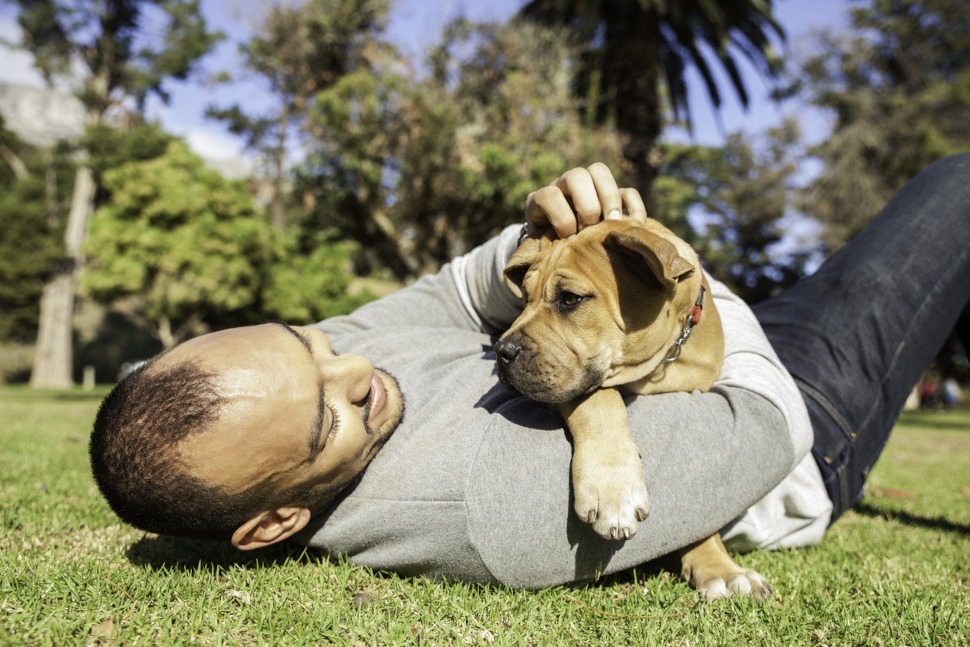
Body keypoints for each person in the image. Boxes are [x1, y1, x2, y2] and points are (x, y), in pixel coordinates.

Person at [90, 156, 970, 589]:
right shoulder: (481, 507)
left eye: (310, 343)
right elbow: (758, 431)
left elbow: (450, 289)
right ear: (276, 519)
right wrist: (683, 285)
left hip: (672, 327)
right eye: (331, 413)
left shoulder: (320, 373)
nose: (357, 364)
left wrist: (548, 235)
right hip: (795, 409)